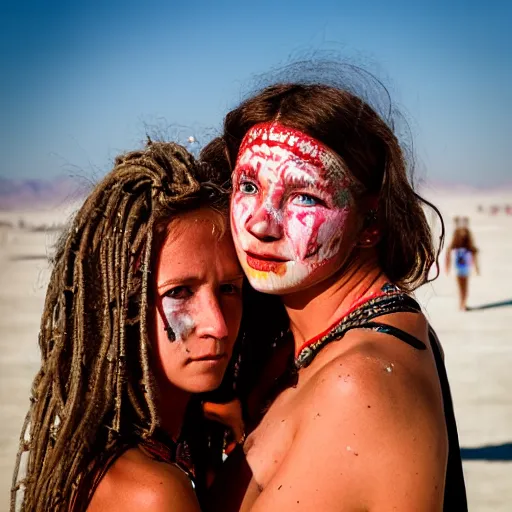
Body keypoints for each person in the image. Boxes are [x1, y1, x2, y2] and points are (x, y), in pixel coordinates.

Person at [201, 75, 467, 511]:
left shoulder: (357, 384)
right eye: (248, 186)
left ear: (371, 221)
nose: (260, 224)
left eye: (303, 196)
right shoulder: (306, 339)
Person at [10, 141, 245, 512]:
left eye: (229, 288)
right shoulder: (153, 493)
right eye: (180, 292)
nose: (217, 325)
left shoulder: (102, 453)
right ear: (123, 307)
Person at [446, 216, 479, 310]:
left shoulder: (467, 248)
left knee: (464, 289)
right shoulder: (455, 247)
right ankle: (462, 305)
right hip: (459, 270)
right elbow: (448, 257)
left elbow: (474, 257)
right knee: (462, 289)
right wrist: (447, 267)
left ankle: (462, 304)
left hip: (464, 270)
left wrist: (476, 268)